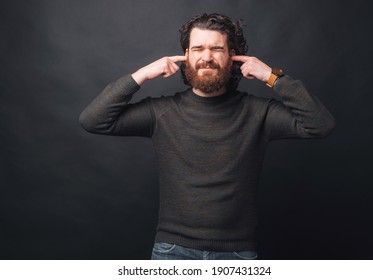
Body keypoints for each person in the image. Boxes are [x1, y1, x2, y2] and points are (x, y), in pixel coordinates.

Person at [79, 13, 335, 260]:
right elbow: (93, 120)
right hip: (172, 252)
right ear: (186, 56)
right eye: (198, 49)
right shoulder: (162, 112)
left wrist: (272, 76)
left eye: (217, 49)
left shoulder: (259, 112)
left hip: (237, 255)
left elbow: (320, 125)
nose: (207, 57)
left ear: (232, 57)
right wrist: (142, 74)